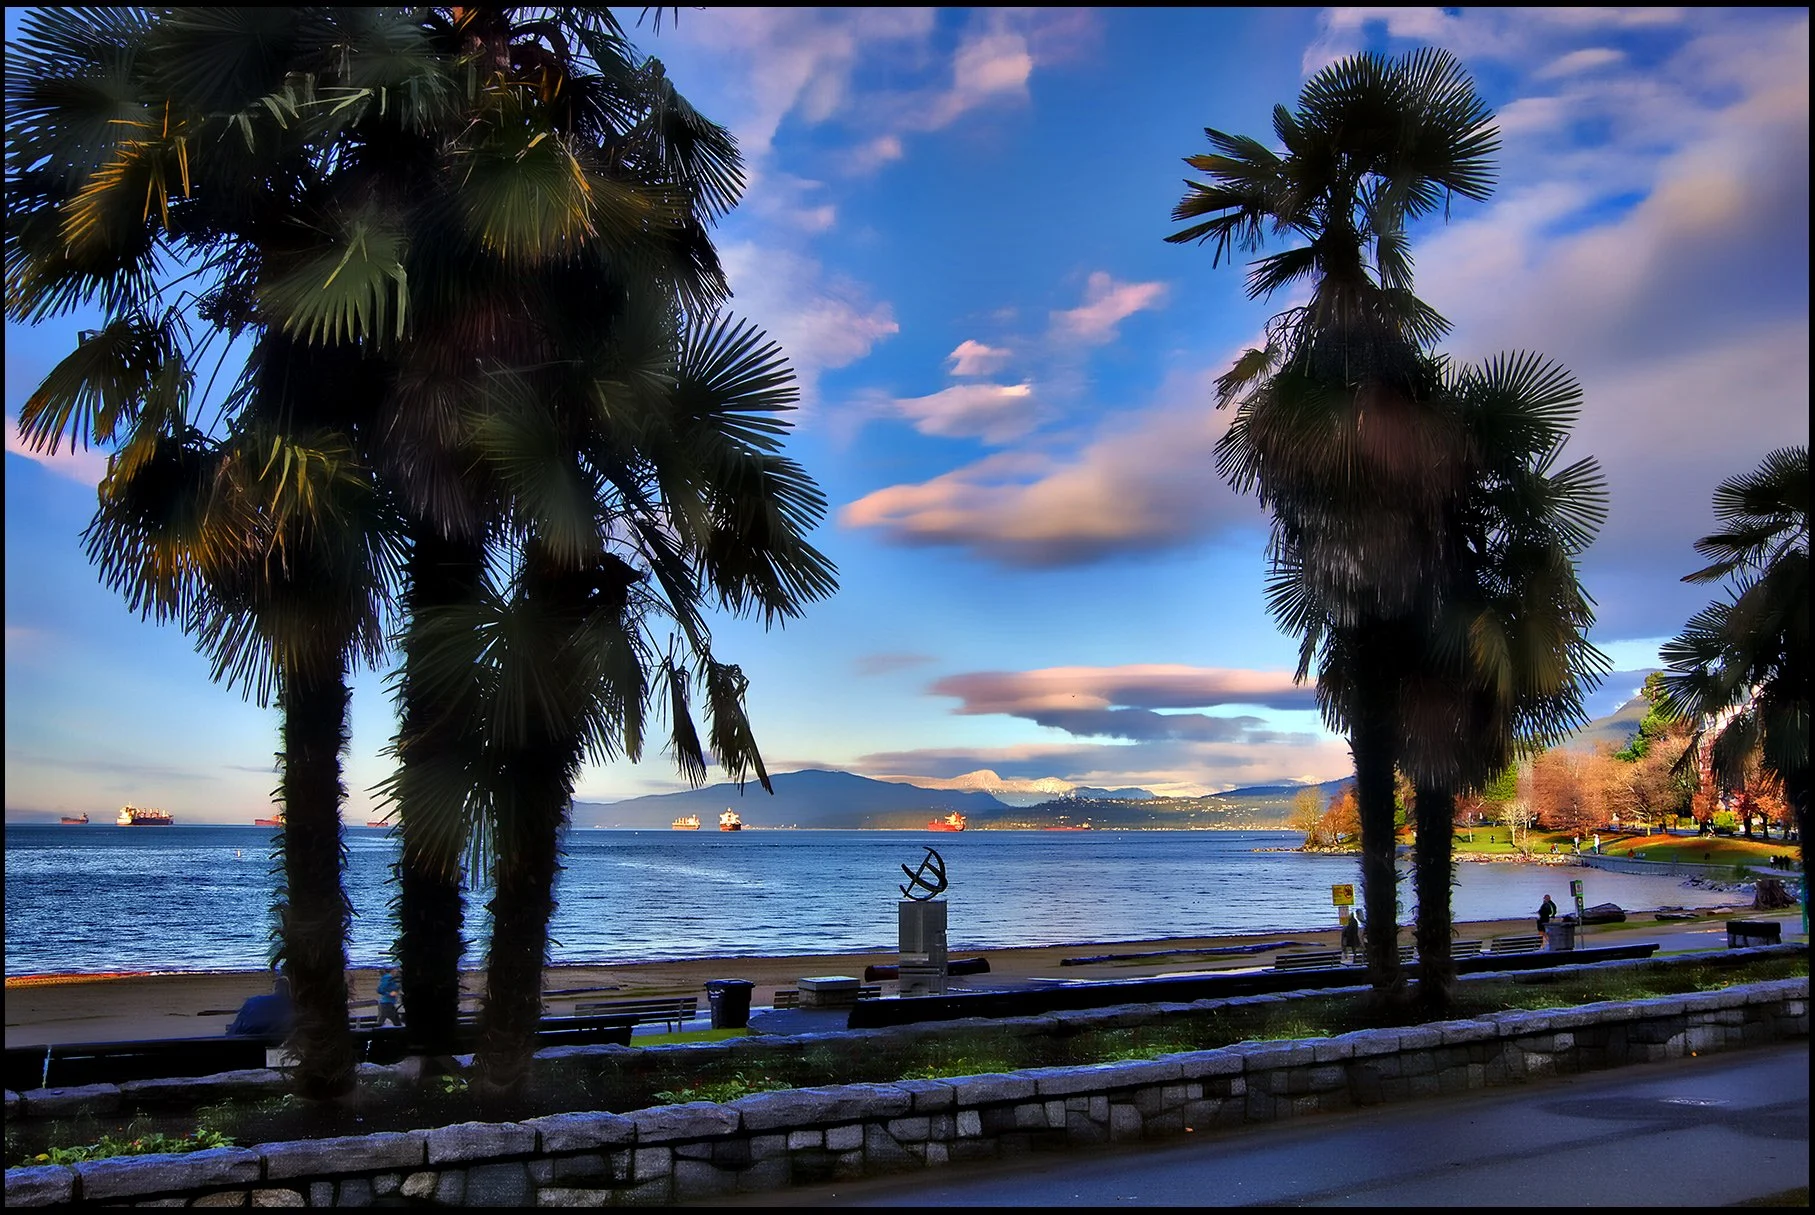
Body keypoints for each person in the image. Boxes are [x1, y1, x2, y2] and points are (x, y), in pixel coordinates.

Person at [226, 974, 293, 1039]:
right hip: (276, 1041)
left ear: (276, 987)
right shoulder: (293, 1009)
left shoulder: (254, 1002)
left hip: (248, 1040)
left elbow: (233, 1032)